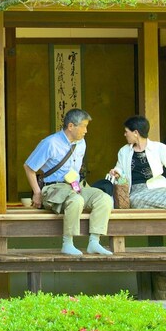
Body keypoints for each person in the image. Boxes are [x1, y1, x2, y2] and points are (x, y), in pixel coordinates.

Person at [23, 108, 113, 256]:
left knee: (104, 198)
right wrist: (37, 193)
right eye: (83, 126)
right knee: (76, 200)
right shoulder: (50, 143)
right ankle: (68, 243)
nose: (86, 131)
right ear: (71, 126)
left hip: (75, 186)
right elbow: (29, 167)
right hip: (54, 188)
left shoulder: (81, 143)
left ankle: (94, 242)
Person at [109, 117, 166, 210]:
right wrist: (115, 172)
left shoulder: (159, 148)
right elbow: (119, 169)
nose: (124, 134)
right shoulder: (124, 151)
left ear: (136, 133)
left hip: (157, 189)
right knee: (134, 201)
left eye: (126, 131)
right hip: (135, 191)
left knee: (137, 202)